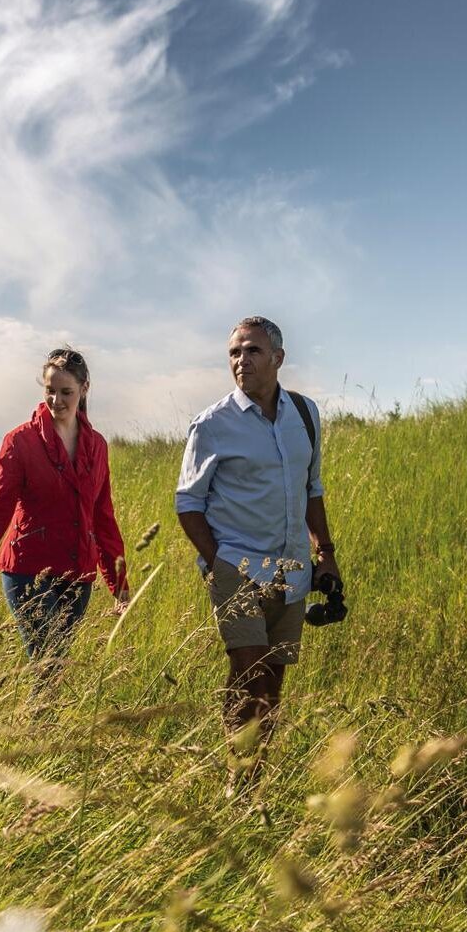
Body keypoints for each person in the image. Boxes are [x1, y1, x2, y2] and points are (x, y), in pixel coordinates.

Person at [174, 317, 341, 793]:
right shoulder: (213, 424)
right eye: (234, 352)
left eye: (251, 351)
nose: (240, 360)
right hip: (238, 567)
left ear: (278, 359)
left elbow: (312, 489)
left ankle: (254, 777)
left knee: (272, 680)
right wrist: (217, 562)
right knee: (247, 670)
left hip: (291, 570)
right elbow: (188, 502)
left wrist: (324, 554)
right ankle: (236, 779)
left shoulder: (304, 415)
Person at [0, 347, 129, 670]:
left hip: (77, 574)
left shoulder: (97, 446)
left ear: (84, 389)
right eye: (50, 391)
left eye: (66, 392)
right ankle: (37, 721)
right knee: (46, 659)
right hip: (27, 570)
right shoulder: (20, 442)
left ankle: (42, 721)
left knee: (58, 662)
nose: (57, 401)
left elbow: (102, 517)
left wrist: (120, 586)